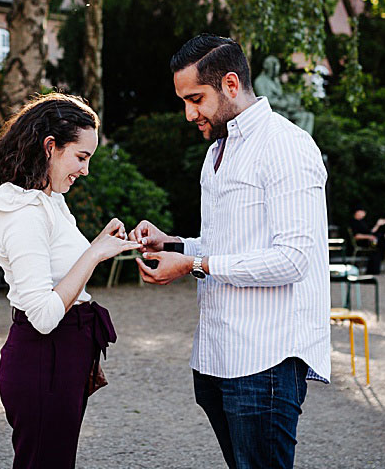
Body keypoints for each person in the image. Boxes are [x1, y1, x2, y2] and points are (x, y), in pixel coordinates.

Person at [131, 34, 330, 469]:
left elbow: (294, 259)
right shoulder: (217, 151)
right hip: (217, 355)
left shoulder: (286, 146)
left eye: (196, 98)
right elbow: (228, 247)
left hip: (266, 361)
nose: (189, 113)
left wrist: (194, 264)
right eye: (184, 100)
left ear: (232, 84)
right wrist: (175, 244)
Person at [0, 93, 138, 469]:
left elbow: (63, 272)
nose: (86, 170)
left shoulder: (49, 199)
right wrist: (93, 254)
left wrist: (101, 245)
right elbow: (43, 315)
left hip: (64, 356)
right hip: (45, 360)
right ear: (50, 147)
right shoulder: (23, 212)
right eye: (82, 157)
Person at [349, 207, 385, 275]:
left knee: (381, 242)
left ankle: (374, 269)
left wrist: (378, 225)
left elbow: (370, 232)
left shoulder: (362, 222)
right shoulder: (354, 222)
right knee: (381, 243)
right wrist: (369, 237)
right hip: (363, 242)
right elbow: (356, 236)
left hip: (369, 240)